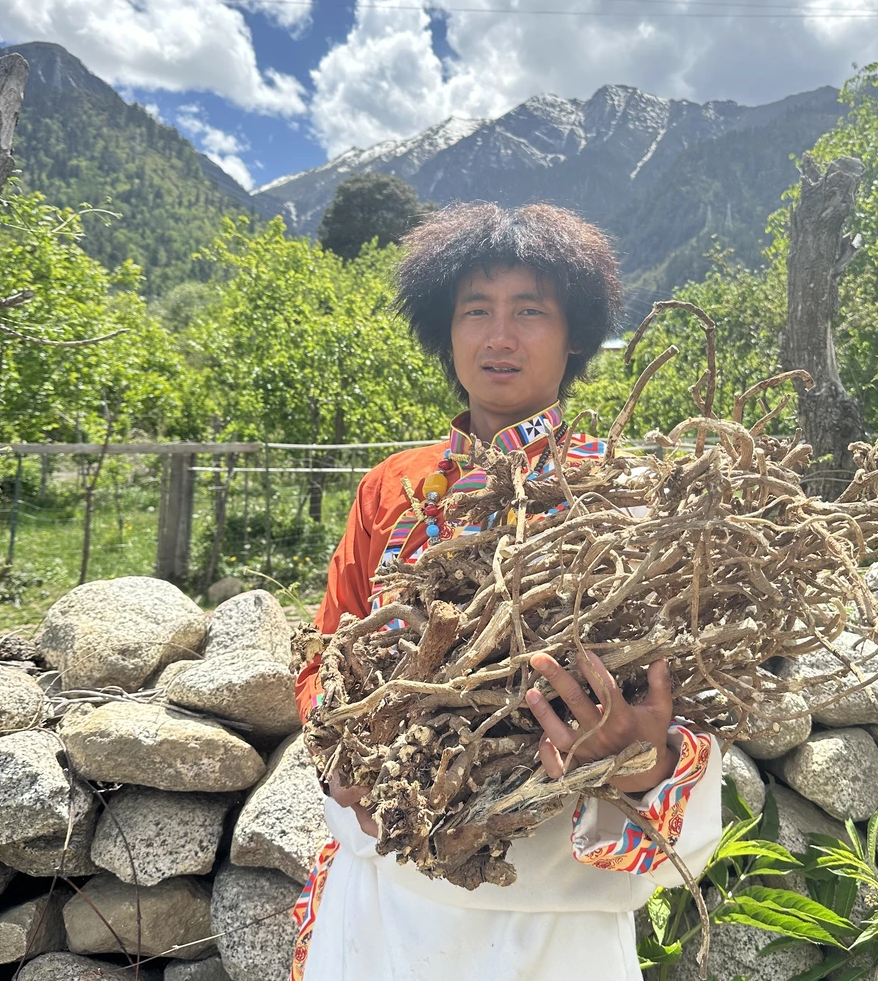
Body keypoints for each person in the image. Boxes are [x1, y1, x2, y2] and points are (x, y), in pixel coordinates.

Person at [291, 202, 722, 981]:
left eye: (530, 311)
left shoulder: (629, 495)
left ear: (577, 336)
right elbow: (325, 659)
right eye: (475, 312)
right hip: (384, 908)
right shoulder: (392, 490)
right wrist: (342, 759)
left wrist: (635, 759)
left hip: (555, 928)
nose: (499, 337)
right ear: (445, 333)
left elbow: (682, 710)